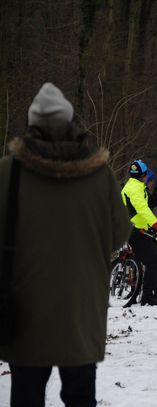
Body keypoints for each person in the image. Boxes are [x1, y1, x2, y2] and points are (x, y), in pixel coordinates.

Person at [0, 82, 131, 406]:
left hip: (24, 311)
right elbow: (119, 234)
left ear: (31, 126)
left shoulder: (8, 173)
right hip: (81, 308)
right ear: (73, 123)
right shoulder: (100, 175)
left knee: (26, 396)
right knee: (79, 395)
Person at [121, 159, 157, 305]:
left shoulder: (138, 186)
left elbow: (150, 203)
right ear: (143, 175)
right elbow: (143, 209)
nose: (148, 177)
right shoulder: (134, 189)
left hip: (142, 229)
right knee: (154, 261)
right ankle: (147, 297)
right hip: (133, 230)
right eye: (147, 174)